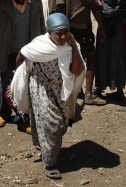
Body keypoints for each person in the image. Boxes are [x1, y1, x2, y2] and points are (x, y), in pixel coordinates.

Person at [15, 13, 85, 180]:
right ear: (49, 32)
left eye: (66, 32)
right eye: (58, 33)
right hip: (40, 88)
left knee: (61, 124)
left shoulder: (70, 46)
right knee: (50, 124)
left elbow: (77, 70)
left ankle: (47, 148)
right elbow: (22, 55)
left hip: (61, 90)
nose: (62, 36)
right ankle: (50, 163)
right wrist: (19, 74)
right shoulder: (39, 45)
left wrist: (74, 45)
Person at [0, 0, 46, 131]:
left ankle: (22, 116)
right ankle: (3, 112)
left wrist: (43, 44)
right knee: (6, 83)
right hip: (8, 52)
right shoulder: (2, 3)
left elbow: (41, 23)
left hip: (29, 50)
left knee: (26, 84)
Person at [48, 0, 107, 105]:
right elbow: (95, 7)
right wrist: (102, 27)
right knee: (91, 58)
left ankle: (75, 91)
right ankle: (88, 94)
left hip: (64, 31)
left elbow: (53, 9)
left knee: (68, 61)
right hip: (83, 28)